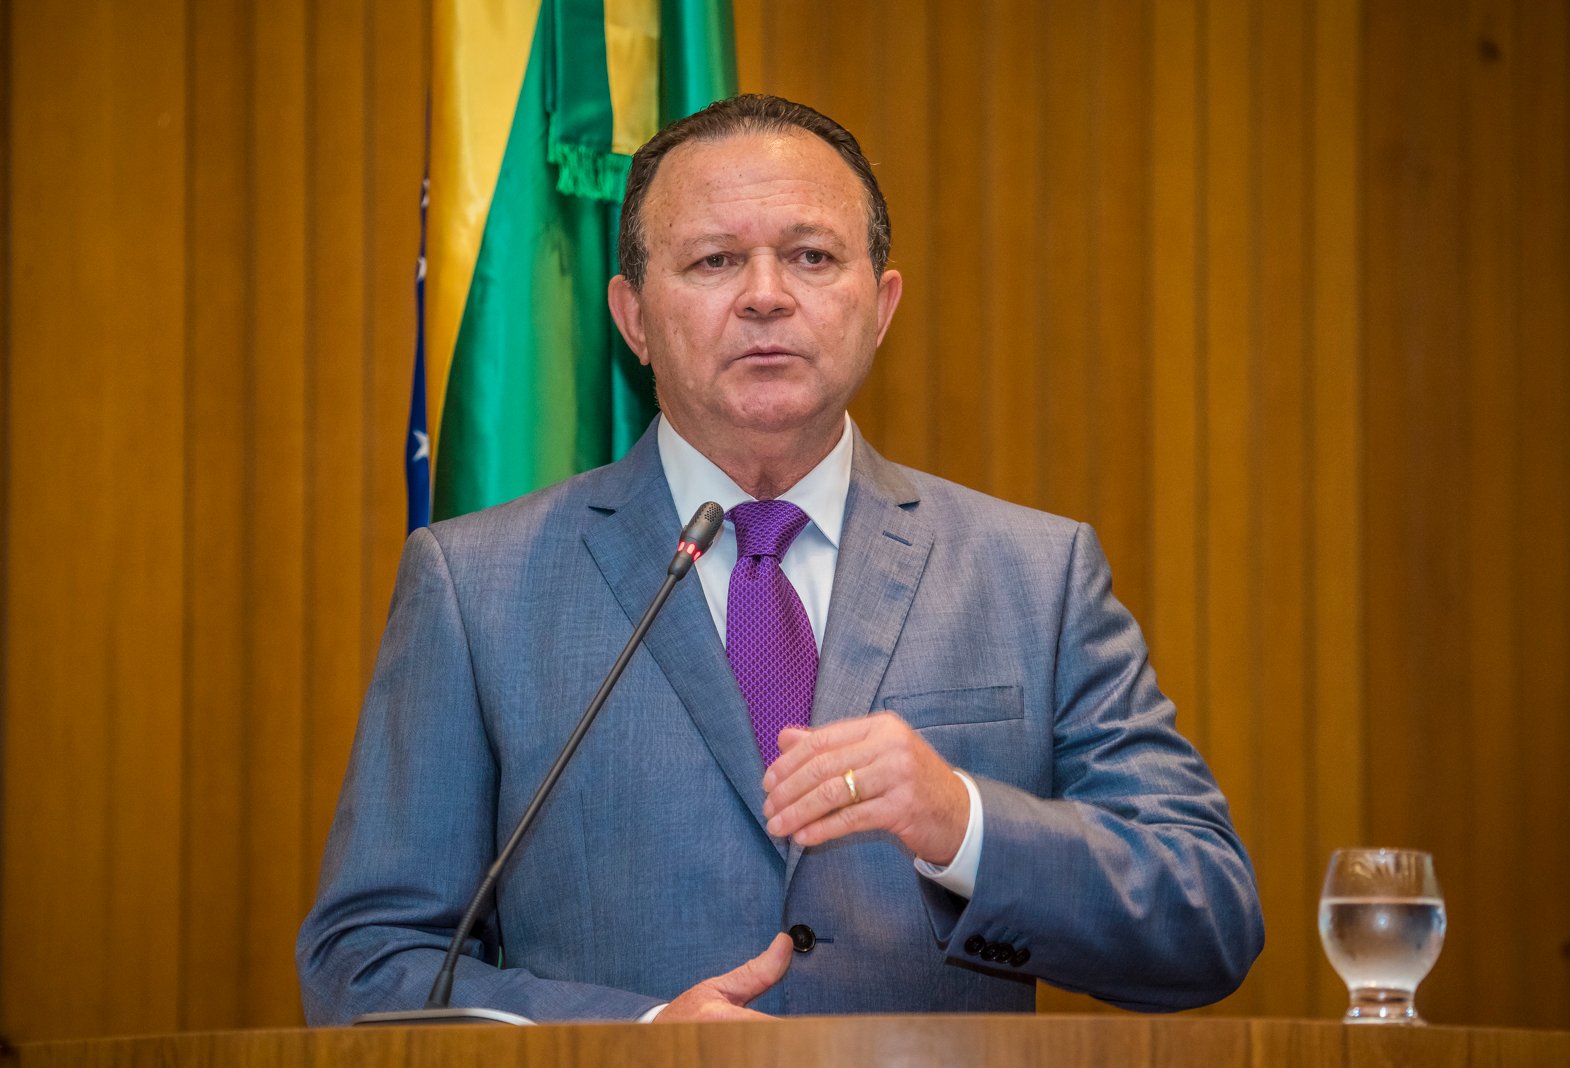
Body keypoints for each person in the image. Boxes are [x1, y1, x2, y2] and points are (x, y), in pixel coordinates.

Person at [297, 94, 1263, 1024]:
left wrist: (962, 821)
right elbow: (368, 961)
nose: (766, 296)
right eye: (716, 261)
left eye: (811, 256)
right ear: (633, 317)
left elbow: (1208, 916)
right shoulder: (478, 588)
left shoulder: (1034, 575)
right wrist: (634, 1039)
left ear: (880, 305)